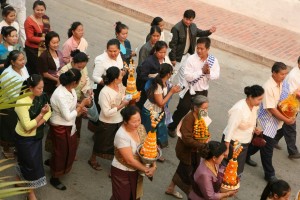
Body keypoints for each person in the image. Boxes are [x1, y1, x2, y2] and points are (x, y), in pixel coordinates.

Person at [246, 62, 295, 182]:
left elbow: (287, 100)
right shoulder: (268, 87)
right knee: (267, 149)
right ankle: (269, 174)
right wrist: (287, 120)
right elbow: (271, 109)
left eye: (285, 74)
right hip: (266, 123)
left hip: (277, 121)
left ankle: (244, 154)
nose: (284, 76)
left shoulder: (283, 84)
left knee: (259, 143)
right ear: (274, 73)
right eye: (282, 74)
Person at [168, 37, 220, 137]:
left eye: (202, 49)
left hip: (202, 90)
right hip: (189, 89)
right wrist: (201, 71)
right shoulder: (191, 59)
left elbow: (216, 75)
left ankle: (199, 131)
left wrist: (208, 72)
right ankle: (172, 127)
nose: (199, 50)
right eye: (198, 48)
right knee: (182, 109)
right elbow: (187, 76)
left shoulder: (213, 60)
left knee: (202, 112)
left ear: (208, 49)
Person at [49, 68, 91, 190]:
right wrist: (82, 105)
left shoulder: (69, 89)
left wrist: (78, 106)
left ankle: (55, 164)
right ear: (74, 82)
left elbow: (71, 105)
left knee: (68, 149)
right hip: (60, 126)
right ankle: (54, 177)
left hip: (68, 125)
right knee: (61, 152)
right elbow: (67, 116)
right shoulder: (60, 94)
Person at [14, 74, 51, 200]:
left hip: (36, 135)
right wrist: (41, 114)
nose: (42, 90)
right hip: (25, 138)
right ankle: (30, 193)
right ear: (30, 88)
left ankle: (18, 179)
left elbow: (49, 111)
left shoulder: (42, 96)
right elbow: (27, 126)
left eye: (42, 87)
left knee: (28, 162)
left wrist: (36, 124)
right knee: (30, 165)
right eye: (39, 88)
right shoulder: (21, 102)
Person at [165, 95, 209, 198]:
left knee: (183, 169)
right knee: (189, 175)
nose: (206, 110)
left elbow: (204, 128)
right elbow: (187, 139)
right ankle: (191, 194)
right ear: (195, 108)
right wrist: (202, 144)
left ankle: (171, 188)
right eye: (204, 108)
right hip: (186, 151)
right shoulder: (189, 119)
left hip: (194, 151)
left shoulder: (201, 115)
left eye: (207, 108)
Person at [111, 105, 156, 200]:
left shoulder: (140, 127)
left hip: (136, 170)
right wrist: (146, 170)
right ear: (125, 122)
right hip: (122, 171)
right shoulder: (121, 135)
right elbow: (130, 160)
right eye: (134, 122)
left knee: (133, 196)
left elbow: (149, 146)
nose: (137, 124)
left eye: (139, 120)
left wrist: (153, 165)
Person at [88, 67, 129, 170]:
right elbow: (106, 113)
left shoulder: (119, 86)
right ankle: (92, 159)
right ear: (115, 79)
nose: (122, 76)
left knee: (117, 144)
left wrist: (129, 98)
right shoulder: (105, 92)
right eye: (120, 75)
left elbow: (123, 96)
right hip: (107, 123)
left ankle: (114, 166)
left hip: (119, 120)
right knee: (100, 143)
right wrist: (122, 105)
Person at [222, 85, 264, 176]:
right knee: (229, 170)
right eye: (259, 99)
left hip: (244, 143)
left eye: (261, 99)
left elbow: (252, 120)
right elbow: (230, 129)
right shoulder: (239, 109)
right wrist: (226, 148)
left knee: (237, 169)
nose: (260, 102)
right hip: (234, 143)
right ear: (250, 97)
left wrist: (254, 128)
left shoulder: (254, 106)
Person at [141, 63, 180, 158]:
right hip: (150, 112)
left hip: (159, 112)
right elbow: (161, 103)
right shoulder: (158, 86)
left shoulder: (165, 82)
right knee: (150, 133)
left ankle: (154, 150)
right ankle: (146, 152)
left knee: (158, 131)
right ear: (168, 74)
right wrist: (172, 92)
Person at [60, 50, 92, 155]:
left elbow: (86, 80)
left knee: (76, 128)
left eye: (83, 67)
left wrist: (88, 89)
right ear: (73, 62)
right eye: (79, 67)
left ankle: (72, 151)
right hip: (68, 103)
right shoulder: (65, 71)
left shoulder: (83, 69)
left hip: (78, 100)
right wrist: (80, 105)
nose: (81, 69)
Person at [0, 50, 28, 159]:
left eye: (23, 59)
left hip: (23, 101)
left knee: (19, 126)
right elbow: (11, 94)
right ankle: (7, 149)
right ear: (12, 62)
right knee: (9, 128)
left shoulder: (24, 68)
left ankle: (17, 146)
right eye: (20, 60)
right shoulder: (6, 74)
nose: (23, 62)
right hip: (11, 105)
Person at [274, 56, 300, 159]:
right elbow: (294, 94)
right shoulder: (294, 76)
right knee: (290, 127)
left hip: (294, 105)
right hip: (289, 106)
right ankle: (293, 151)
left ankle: (273, 139)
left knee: (284, 125)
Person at [136, 41, 171, 110]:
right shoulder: (149, 61)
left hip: (160, 87)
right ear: (155, 51)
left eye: (164, 52)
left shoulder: (165, 59)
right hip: (149, 87)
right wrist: (153, 79)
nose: (163, 54)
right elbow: (142, 76)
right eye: (160, 52)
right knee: (143, 103)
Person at [92, 38, 124, 114]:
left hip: (116, 87)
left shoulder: (119, 55)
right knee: (103, 110)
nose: (113, 54)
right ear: (106, 50)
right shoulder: (101, 60)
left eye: (115, 51)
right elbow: (95, 76)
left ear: (119, 50)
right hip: (103, 87)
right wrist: (108, 84)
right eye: (110, 51)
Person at [24, 0, 50, 75]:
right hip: (32, 49)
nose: (40, 12)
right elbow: (30, 37)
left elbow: (49, 30)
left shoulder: (45, 18)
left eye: (42, 10)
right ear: (33, 9)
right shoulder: (29, 21)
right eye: (37, 10)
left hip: (43, 47)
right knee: (34, 68)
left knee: (40, 67)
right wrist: (43, 39)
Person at [38, 31, 64, 97]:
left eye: (57, 42)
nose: (56, 45)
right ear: (48, 43)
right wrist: (57, 79)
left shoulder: (59, 52)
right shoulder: (44, 56)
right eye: (53, 43)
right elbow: (45, 74)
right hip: (49, 85)